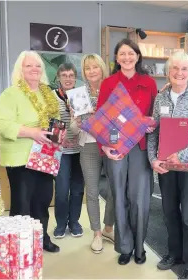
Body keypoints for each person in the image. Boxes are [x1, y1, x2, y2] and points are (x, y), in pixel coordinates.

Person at [147, 51, 188, 279]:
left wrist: (182, 155)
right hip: (165, 166)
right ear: (168, 72)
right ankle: (174, 253)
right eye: (175, 68)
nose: (180, 73)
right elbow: (153, 131)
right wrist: (153, 159)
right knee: (169, 211)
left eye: (184, 69)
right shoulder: (161, 98)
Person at [0, 50, 61, 253]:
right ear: (20, 70)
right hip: (20, 159)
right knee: (22, 205)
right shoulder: (11, 94)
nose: (34, 69)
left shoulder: (47, 93)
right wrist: (31, 132)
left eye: (38, 65)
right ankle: (20, 244)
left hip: (45, 157)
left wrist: (59, 135)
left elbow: (54, 121)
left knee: (43, 200)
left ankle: (41, 238)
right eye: (29, 65)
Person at [97, 38, 157, 265]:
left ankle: (140, 246)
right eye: (122, 54)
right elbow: (100, 118)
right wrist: (104, 146)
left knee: (140, 199)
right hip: (116, 149)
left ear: (138, 56)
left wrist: (152, 123)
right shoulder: (109, 83)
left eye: (131, 54)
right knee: (119, 197)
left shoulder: (149, 83)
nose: (127, 58)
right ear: (116, 58)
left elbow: (155, 118)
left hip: (141, 148)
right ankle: (124, 247)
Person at [69, 53, 115, 254]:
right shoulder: (78, 94)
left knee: (115, 190)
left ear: (102, 68)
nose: (92, 71)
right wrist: (75, 123)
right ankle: (96, 233)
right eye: (88, 68)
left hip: (112, 143)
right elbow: (75, 128)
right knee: (93, 192)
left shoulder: (112, 89)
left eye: (95, 67)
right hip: (89, 145)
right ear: (84, 72)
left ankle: (108, 227)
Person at [52, 63, 85, 239]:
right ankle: (60, 223)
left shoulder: (80, 97)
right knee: (62, 189)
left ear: (75, 78)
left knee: (78, 189)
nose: (68, 78)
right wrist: (60, 139)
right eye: (64, 75)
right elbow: (49, 121)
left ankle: (74, 222)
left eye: (71, 75)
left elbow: (85, 122)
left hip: (80, 149)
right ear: (58, 77)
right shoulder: (52, 97)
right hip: (61, 151)